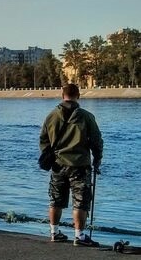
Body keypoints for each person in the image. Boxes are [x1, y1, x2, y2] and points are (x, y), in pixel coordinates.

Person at [39, 83, 103, 246]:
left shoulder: (51, 116)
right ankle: (79, 236)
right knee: (81, 201)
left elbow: (43, 140)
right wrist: (97, 160)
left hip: (58, 164)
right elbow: (96, 141)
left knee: (55, 199)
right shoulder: (86, 116)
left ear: (62, 95)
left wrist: (49, 156)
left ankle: (54, 232)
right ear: (78, 96)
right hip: (80, 164)